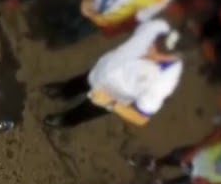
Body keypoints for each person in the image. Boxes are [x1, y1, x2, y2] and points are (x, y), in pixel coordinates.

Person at [44, 18, 182, 129]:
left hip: (112, 94)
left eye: (161, 52)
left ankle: (67, 120)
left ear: (176, 57)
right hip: (103, 69)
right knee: (83, 80)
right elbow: (134, 20)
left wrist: (111, 104)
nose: (153, 48)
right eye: (158, 42)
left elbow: (142, 118)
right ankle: (65, 91)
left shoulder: (165, 81)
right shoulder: (156, 27)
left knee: (86, 111)